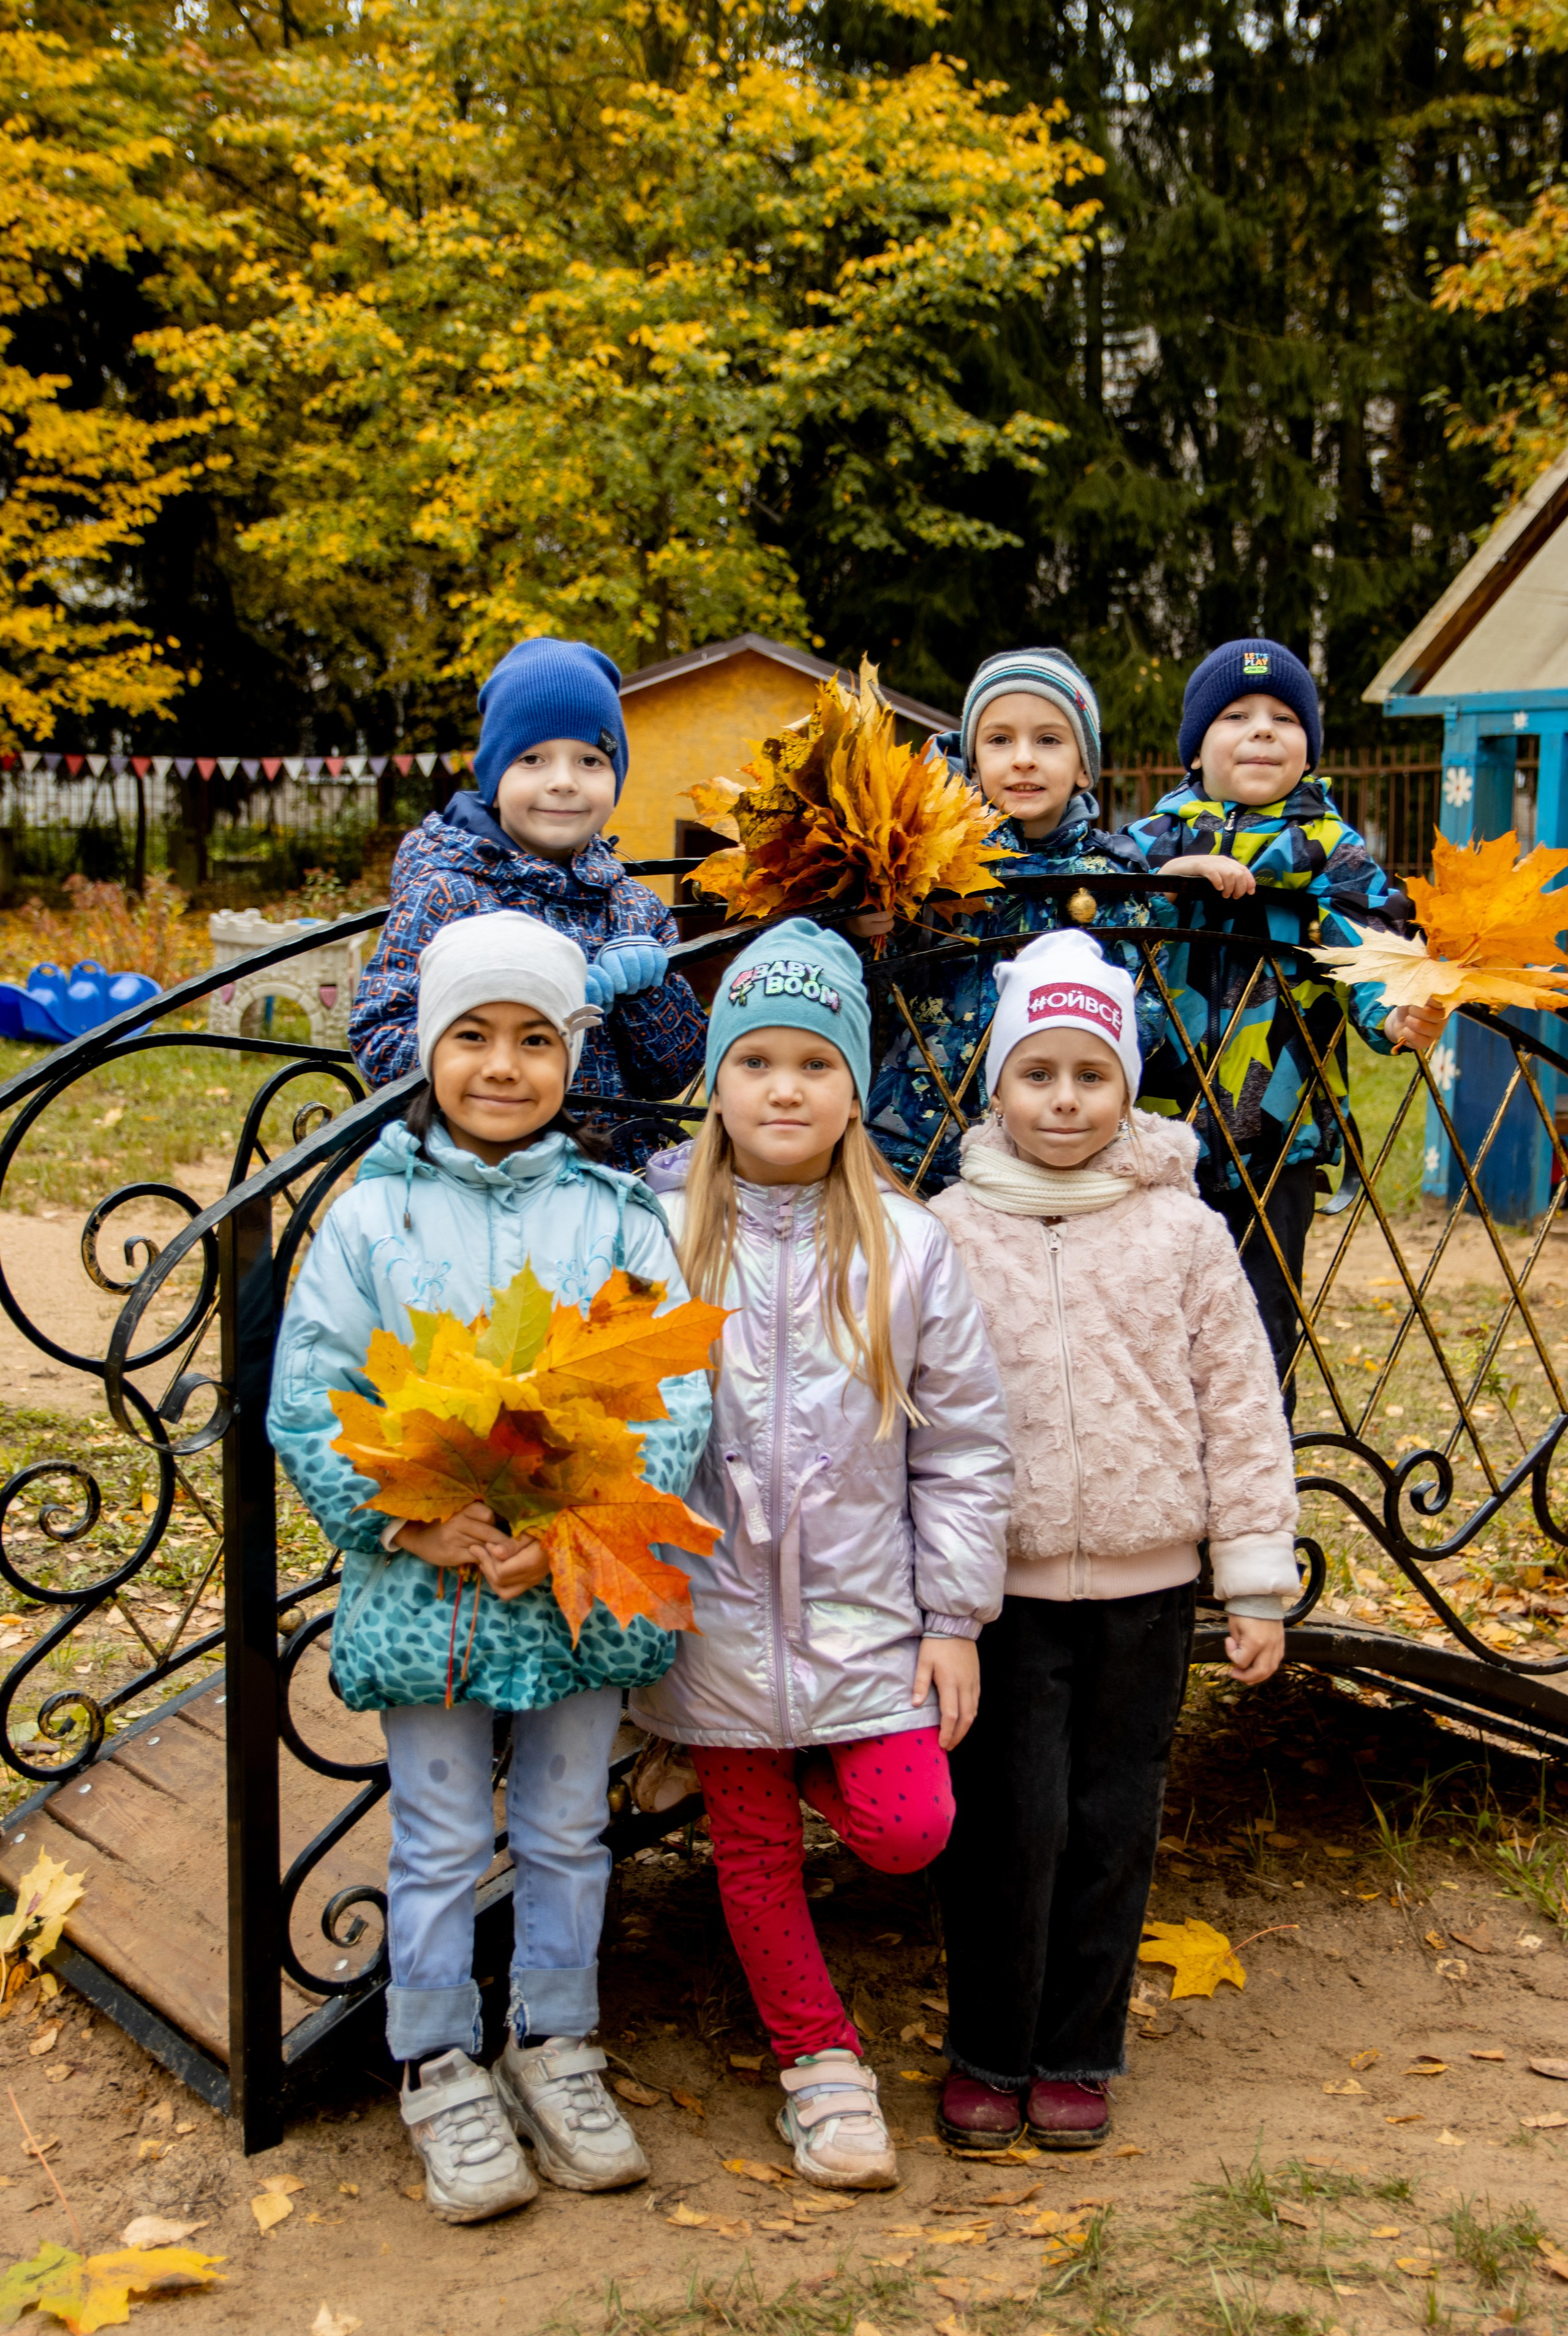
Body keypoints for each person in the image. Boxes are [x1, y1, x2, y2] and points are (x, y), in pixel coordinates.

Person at [269, 913, 713, 2223]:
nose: (503, 1066)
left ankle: (557, 2041)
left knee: (568, 1828)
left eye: (534, 1040)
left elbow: (677, 1393)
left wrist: (566, 1520)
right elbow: (311, 1395)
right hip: (432, 1590)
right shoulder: (373, 1217)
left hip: (568, 1589)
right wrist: (402, 1520)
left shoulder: (617, 1216)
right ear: (429, 1049)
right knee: (444, 1834)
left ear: (572, 1057)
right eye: (473, 1036)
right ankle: (438, 2062)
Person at [632, 921, 1012, 2190]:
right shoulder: (657, 1231)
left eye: (814, 1064)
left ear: (856, 1087)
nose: (783, 1089)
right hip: (713, 1615)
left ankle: (775, 1751)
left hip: (865, 1613)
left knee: (909, 1827)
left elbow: (963, 1447)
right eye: (755, 1062)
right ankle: (820, 2065)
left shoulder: (908, 1246)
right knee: (752, 1854)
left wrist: (952, 1620)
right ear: (717, 1084)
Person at [928, 929, 1300, 2152]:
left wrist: (1254, 1576)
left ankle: (1078, 2052)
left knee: (1109, 1820)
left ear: (1127, 1087)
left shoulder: (1181, 1233)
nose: (1064, 1099)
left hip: (1148, 1587)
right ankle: (990, 2048)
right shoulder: (949, 1230)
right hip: (1005, 1590)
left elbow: (1239, 1403)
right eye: (1036, 1073)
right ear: (998, 1084)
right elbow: (916, 1411)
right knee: (1010, 1822)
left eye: (1091, 1075)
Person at [1124, 639, 1442, 1395]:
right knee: (1148, 1323)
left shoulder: (1335, 852)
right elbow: (1103, 936)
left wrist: (1394, 1014)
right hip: (1150, 1134)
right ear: (1194, 750)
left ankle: (1263, 1467)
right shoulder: (1148, 843)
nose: (1262, 729)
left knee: (1261, 1330)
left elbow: (1371, 944)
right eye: (1235, 716)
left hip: (1276, 1134)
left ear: (1308, 750)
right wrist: (1169, 882)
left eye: (1283, 718)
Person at [349, 636, 707, 1167]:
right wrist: (516, 1008)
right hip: (486, 1178)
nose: (563, 782)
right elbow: (379, 1045)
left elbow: (674, 1073)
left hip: (615, 1179)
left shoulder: (636, 909)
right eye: (532, 759)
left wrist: (648, 995)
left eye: (590, 760)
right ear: (495, 778)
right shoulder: (448, 894)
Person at [864, 647, 1166, 1188]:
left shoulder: (1113, 876)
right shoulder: (922, 859)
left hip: (1056, 1145)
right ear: (973, 761)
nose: (1024, 759)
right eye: (1000, 740)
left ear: (1084, 766)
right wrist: (868, 933)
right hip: (919, 1136)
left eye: (1049, 740)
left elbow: (1145, 1010)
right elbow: (871, 984)